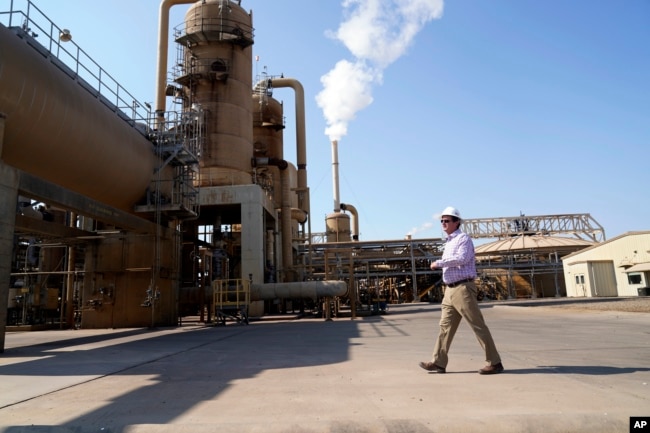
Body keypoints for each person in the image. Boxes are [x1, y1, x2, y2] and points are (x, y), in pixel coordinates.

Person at [419, 206, 504, 375]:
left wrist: (439, 263)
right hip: (450, 290)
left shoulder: (463, 239)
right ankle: (438, 362)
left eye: (447, 220)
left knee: (477, 325)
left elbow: (462, 258)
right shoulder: (449, 242)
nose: (443, 223)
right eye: (441, 220)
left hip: (463, 288)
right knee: (444, 327)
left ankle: (495, 362)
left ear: (457, 222)